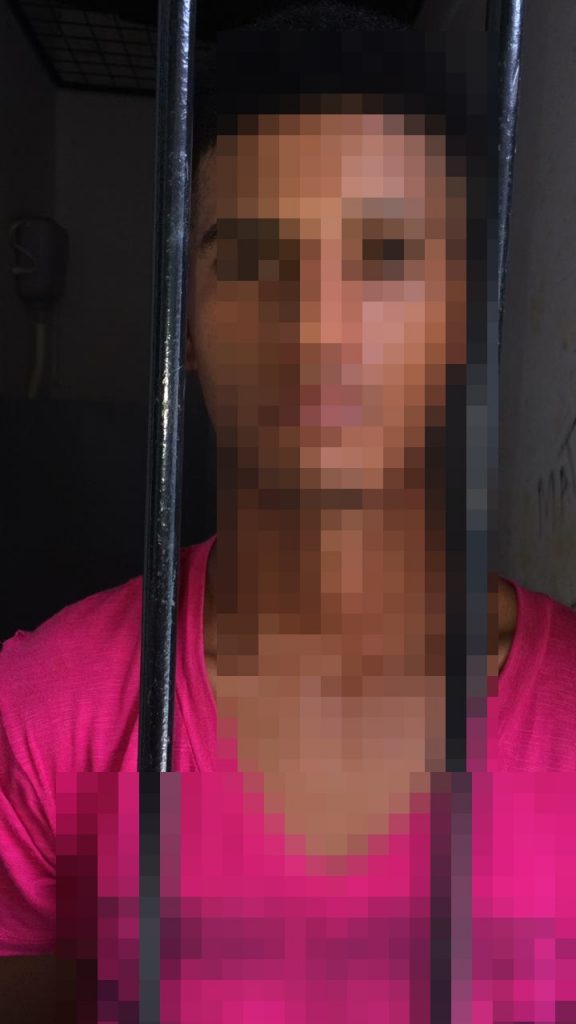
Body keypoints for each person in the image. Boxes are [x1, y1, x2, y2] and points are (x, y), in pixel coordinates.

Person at [2, 4, 576, 1021]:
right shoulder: (47, 713)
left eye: (388, 254)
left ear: (464, 319)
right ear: (184, 315)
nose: (317, 330)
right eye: (251, 258)